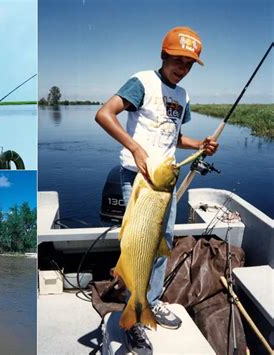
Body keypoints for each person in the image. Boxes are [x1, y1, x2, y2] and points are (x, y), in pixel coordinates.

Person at [95, 27, 219, 354]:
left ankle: (150, 300)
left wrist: (200, 144)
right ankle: (132, 315)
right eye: (177, 60)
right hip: (137, 178)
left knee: (163, 242)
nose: (182, 68)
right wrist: (135, 149)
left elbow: (175, 137)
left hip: (165, 180)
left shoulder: (183, 96)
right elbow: (104, 114)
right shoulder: (142, 82)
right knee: (137, 247)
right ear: (163, 55)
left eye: (189, 64)